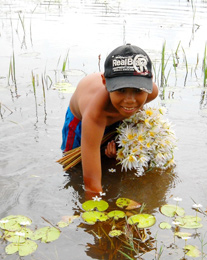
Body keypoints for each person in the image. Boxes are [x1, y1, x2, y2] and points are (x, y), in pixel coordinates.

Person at [61, 43, 159, 197]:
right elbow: (92, 186)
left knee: (111, 157)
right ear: (105, 82)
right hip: (81, 120)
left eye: (138, 90)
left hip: (115, 115)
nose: (130, 100)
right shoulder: (94, 114)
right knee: (74, 169)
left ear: (149, 82)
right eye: (121, 90)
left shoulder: (152, 93)